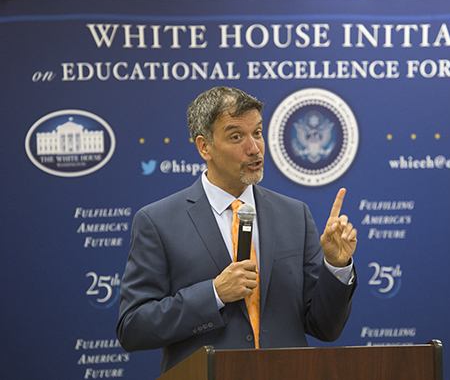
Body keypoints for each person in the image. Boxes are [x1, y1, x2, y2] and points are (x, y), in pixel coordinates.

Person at [116, 86, 358, 373]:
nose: (254, 148)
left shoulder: (294, 215)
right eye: (236, 137)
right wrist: (214, 293)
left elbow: (325, 327)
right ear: (205, 147)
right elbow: (133, 328)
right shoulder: (158, 221)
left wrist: (336, 265)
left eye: (256, 132)